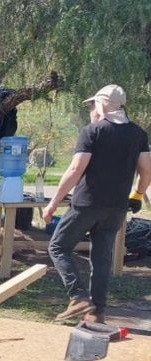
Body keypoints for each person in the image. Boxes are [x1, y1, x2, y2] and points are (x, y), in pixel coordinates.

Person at [42, 84, 151, 323]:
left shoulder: (94, 131)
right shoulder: (138, 134)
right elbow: (147, 171)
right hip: (117, 208)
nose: (91, 108)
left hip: (87, 204)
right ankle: (96, 313)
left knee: (58, 248)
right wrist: (136, 195)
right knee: (101, 258)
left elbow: (74, 169)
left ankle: (78, 296)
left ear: (101, 105)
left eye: (93, 104)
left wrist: (52, 204)